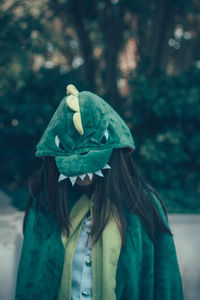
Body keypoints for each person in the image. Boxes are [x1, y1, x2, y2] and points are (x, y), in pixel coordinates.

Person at [15, 84, 184, 300]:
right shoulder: (46, 206)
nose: (84, 174)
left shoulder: (143, 203)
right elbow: (30, 280)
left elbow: (166, 278)